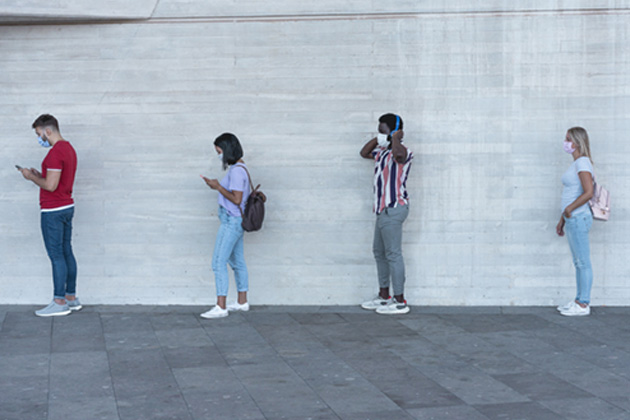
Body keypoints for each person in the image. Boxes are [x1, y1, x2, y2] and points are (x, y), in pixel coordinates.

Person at [18, 114, 80, 317]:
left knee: (56, 255)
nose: (40, 138)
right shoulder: (69, 149)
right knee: (66, 251)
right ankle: (71, 298)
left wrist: (30, 178)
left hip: (53, 210)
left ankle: (59, 301)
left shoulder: (55, 153)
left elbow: (51, 186)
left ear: (48, 130)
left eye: (39, 134)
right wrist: (39, 175)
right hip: (66, 207)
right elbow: (57, 181)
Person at [359, 114, 413, 315]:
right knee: (379, 252)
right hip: (381, 209)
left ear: (393, 130)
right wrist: (379, 139)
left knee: (393, 254)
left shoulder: (403, 151)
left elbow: (400, 156)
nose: (380, 131)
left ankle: (400, 301)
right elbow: (364, 153)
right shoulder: (381, 153)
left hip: (394, 207)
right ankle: (384, 297)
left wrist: (396, 139)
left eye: (382, 128)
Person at [200, 133, 251, 319]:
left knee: (218, 262)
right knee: (237, 262)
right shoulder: (241, 168)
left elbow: (236, 199)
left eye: (219, 151)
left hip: (232, 221)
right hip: (236, 221)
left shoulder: (237, 171)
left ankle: (220, 306)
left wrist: (217, 187)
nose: (219, 155)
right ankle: (242, 301)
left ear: (227, 150)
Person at [556, 127, 595, 317]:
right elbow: (569, 194)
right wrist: (562, 219)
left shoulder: (582, 163)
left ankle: (583, 303)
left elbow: (588, 193)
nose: (566, 143)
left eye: (568, 139)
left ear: (578, 142)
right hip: (572, 218)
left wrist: (570, 210)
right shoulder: (577, 163)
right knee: (578, 262)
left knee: (583, 262)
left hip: (578, 217)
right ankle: (579, 300)